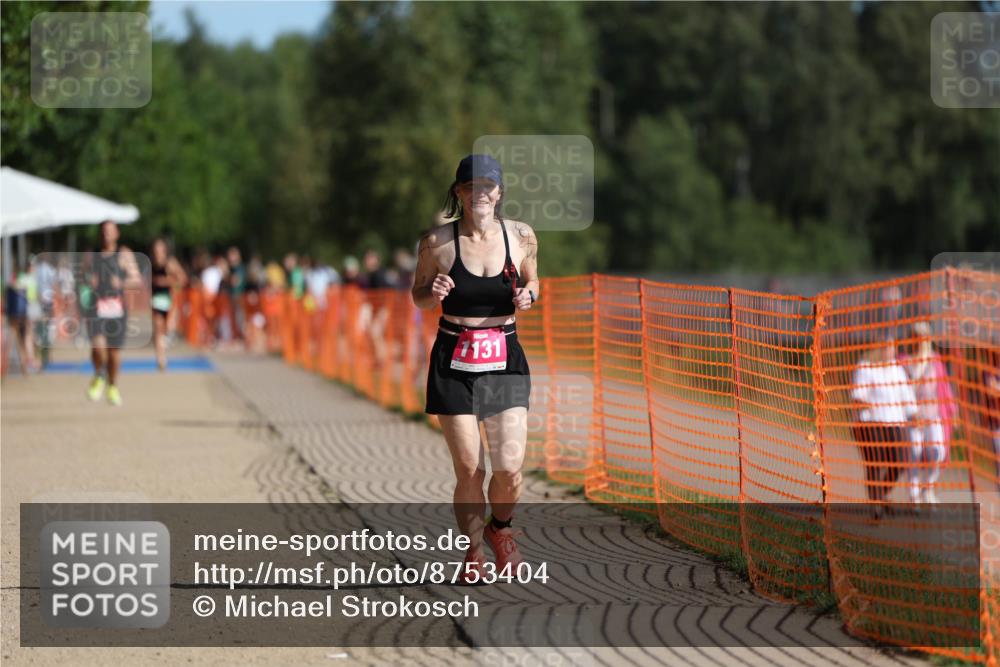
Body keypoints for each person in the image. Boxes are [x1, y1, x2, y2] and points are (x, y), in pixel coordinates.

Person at [411, 154, 539, 583]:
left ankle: (499, 529)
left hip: (504, 356)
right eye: (470, 186)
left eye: (487, 186)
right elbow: (418, 297)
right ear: (458, 193)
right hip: (454, 359)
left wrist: (529, 296)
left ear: (499, 192)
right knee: (470, 468)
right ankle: (473, 552)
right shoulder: (436, 243)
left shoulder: (521, 236)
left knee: (510, 468)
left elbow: (533, 279)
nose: (479, 193)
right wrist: (433, 290)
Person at [850, 337, 919, 517]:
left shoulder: (898, 370)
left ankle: (879, 495)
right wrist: (867, 404)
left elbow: (909, 399)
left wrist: (915, 416)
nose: (890, 351)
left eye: (893, 347)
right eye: (887, 347)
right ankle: (876, 507)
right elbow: (858, 397)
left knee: (900, 462)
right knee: (875, 463)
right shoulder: (866, 366)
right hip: (870, 423)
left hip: (895, 424)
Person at [84, 220, 141, 406]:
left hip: (116, 308)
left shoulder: (124, 254)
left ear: (117, 233)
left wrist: (122, 283)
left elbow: (137, 280)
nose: (106, 234)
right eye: (103, 231)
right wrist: (88, 280)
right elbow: (81, 276)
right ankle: (99, 374)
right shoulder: (92, 254)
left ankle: (112, 385)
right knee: (98, 348)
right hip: (97, 307)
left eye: (110, 231)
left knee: (114, 352)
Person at [901, 321, 957, 504]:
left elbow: (945, 387)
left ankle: (928, 488)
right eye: (917, 337)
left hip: (934, 414)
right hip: (912, 416)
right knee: (914, 454)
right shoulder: (904, 361)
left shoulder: (935, 359)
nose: (920, 341)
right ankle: (914, 495)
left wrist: (953, 411)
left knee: (937, 452)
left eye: (924, 337)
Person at [150, 238, 187, 371]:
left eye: (160, 250)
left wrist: (166, 281)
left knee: (168, 329)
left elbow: (182, 279)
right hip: (156, 301)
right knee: (158, 327)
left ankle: (165, 343)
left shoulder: (170, 263)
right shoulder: (151, 263)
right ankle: (160, 358)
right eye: (155, 250)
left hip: (170, 300)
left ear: (164, 250)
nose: (157, 253)